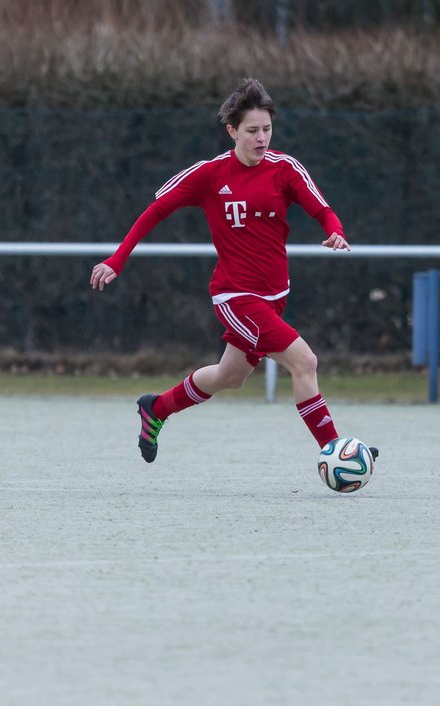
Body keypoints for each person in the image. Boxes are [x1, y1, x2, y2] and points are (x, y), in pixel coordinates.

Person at [89, 79, 374, 468]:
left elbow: (323, 210)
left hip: (274, 296)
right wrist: (117, 259)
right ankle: (337, 452)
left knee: (231, 376)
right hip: (235, 297)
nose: (262, 138)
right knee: (304, 362)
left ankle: (155, 408)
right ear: (232, 131)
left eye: (267, 129)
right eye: (253, 130)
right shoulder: (210, 174)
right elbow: (155, 210)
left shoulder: (285, 169)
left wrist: (335, 232)